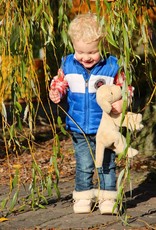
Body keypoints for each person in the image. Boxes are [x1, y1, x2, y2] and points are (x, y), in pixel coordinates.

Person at [49, 13, 133, 214]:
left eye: (92, 52)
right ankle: (84, 196)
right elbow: (60, 82)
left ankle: (108, 198)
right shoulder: (68, 64)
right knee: (85, 164)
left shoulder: (112, 65)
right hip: (79, 125)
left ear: (103, 45)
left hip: (105, 127)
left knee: (107, 164)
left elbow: (126, 88)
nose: (86, 57)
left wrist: (123, 102)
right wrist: (56, 92)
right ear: (73, 46)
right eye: (80, 51)